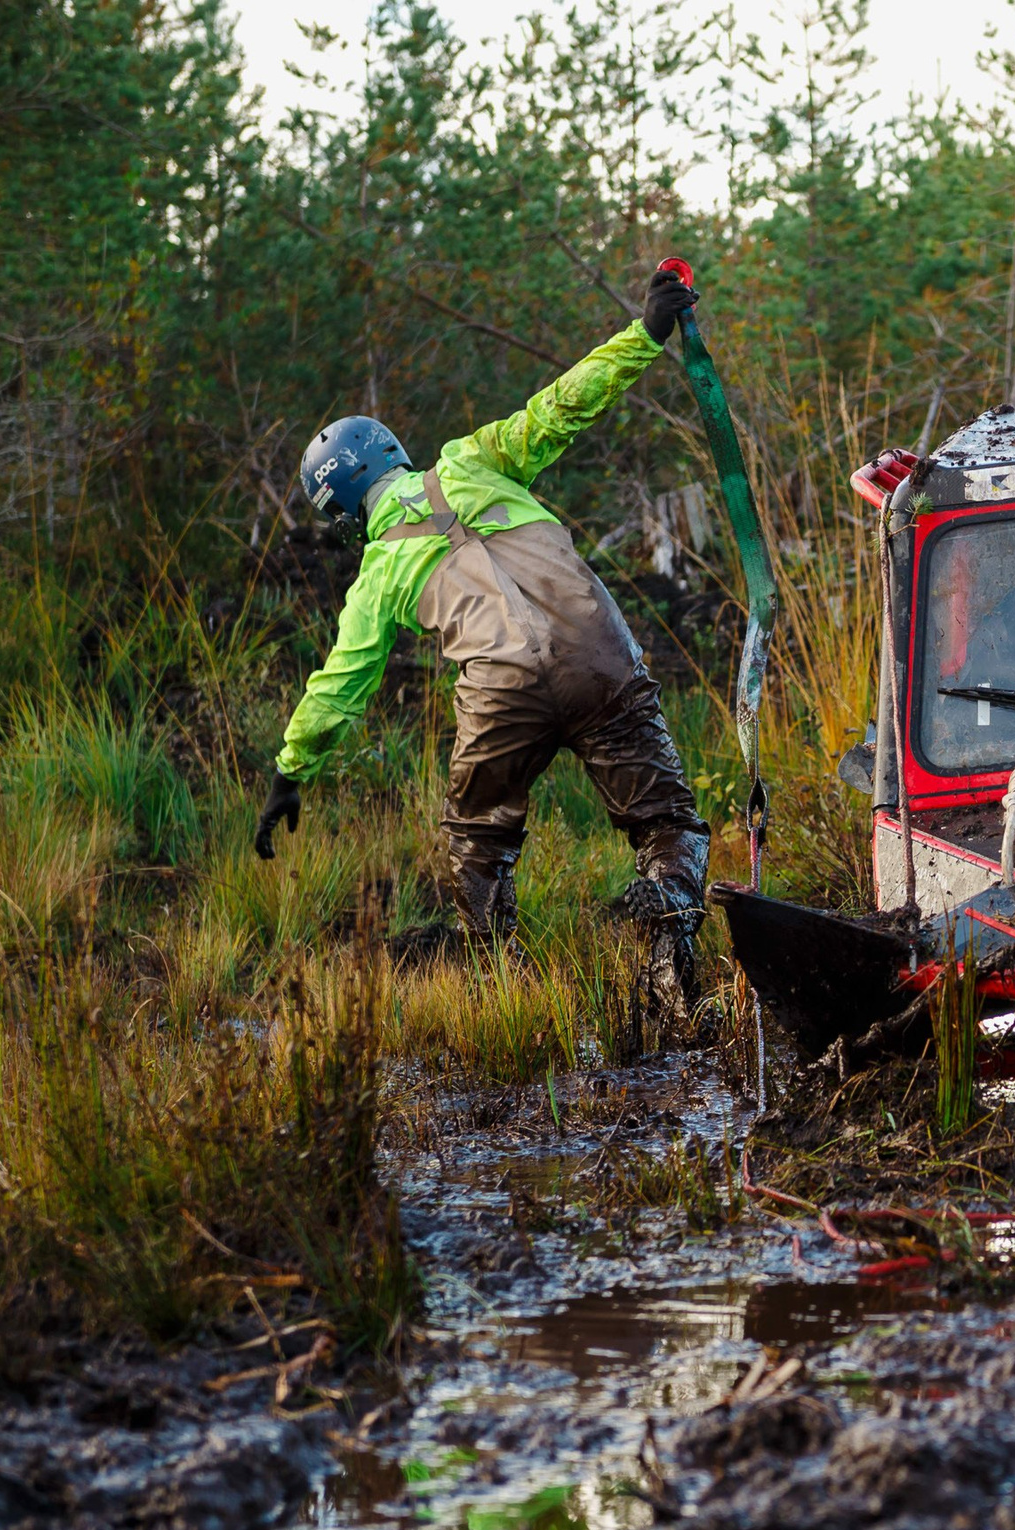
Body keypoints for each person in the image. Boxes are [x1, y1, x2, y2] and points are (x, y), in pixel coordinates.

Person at [256, 267, 710, 992]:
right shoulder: (474, 458)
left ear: (340, 510)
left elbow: (339, 686)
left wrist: (290, 772)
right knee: (667, 822)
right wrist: (648, 332)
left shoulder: (376, 574)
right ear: (394, 454)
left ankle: (506, 985)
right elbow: (565, 403)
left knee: (479, 839)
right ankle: (671, 955)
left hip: (503, 692)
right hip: (600, 653)